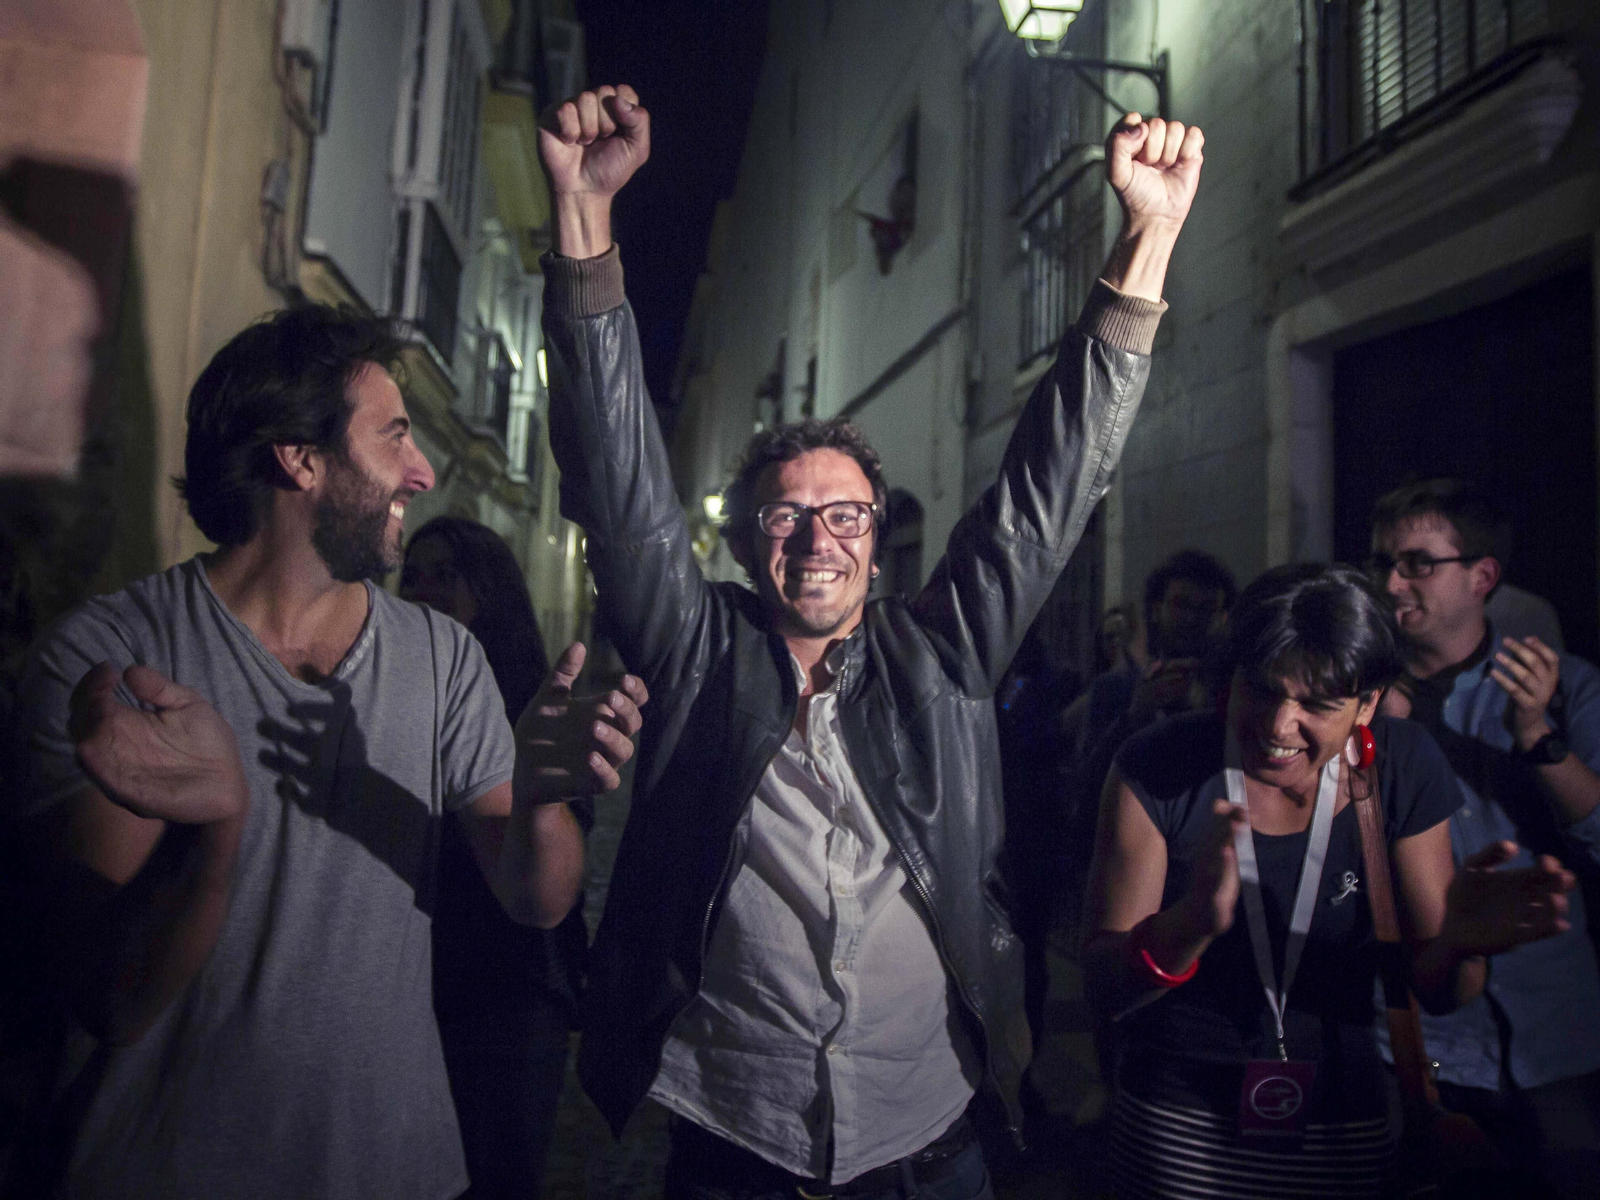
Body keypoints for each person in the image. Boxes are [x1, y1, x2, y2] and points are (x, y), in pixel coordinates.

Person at [536, 83, 1201, 1198]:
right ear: (744, 545)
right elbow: (615, 480)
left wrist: (1151, 236)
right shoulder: (697, 653)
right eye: (785, 517)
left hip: (930, 1144)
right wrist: (583, 217)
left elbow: (1046, 493)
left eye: (845, 515)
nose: (817, 540)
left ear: (879, 543)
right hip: (735, 1148)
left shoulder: (940, 655)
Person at [4, 305, 646, 1200]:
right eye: (394, 436)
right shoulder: (112, 659)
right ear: (299, 459)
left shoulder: (443, 656)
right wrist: (213, 834)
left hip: (395, 1170)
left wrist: (541, 798)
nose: (423, 472)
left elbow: (534, 900)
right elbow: (112, 995)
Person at [1082, 563, 1575, 1199]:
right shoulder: (1161, 763)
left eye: (1317, 704)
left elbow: (1441, 991)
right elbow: (1104, 988)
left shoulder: (1401, 766)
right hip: (1178, 1125)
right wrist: (1187, 926)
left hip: (1344, 1120)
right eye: (1262, 689)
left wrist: (1460, 942)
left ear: (1368, 704)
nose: (1278, 725)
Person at [1370, 477, 1600, 1197]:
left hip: (1549, 1029)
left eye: (1416, 563)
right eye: (1384, 563)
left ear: (1482, 577)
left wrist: (1537, 736)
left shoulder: (1565, 686)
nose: (1392, 583)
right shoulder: (1357, 698)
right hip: (1410, 1031)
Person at [399, 516, 586, 1200]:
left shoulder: (529, 700)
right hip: (419, 978)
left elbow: (559, 860)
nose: (423, 591)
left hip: (509, 986)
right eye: (411, 577)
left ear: (488, 590)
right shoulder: (391, 687)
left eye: (445, 576)